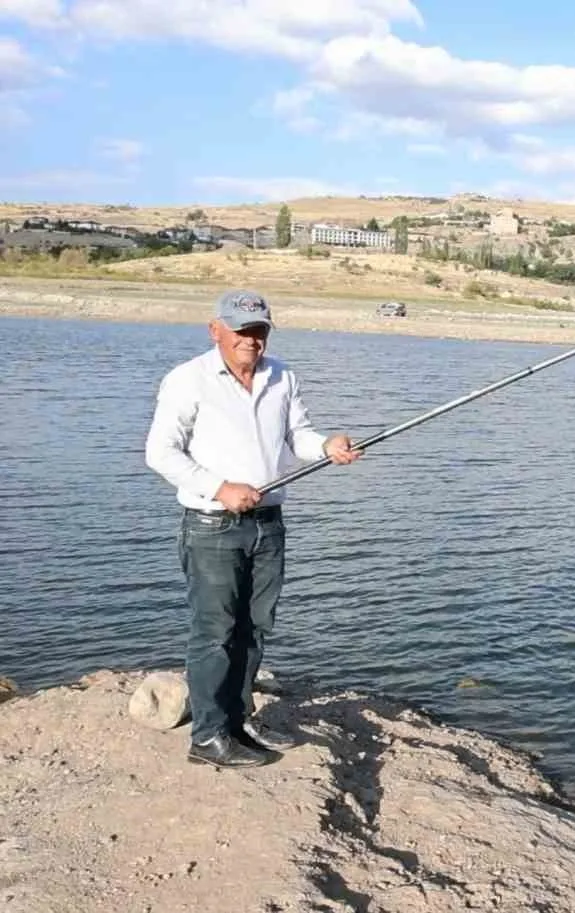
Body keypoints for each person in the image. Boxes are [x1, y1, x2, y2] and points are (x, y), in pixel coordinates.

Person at [144, 289, 362, 769]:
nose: (251, 338)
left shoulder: (282, 376)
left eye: (259, 329)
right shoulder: (187, 380)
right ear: (215, 329)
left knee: (255, 628)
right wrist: (219, 487)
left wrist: (326, 444)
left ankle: (235, 724)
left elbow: (296, 436)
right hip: (212, 527)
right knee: (214, 632)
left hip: (268, 524)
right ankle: (207, 736)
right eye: (241, 329)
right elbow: (161, 453)